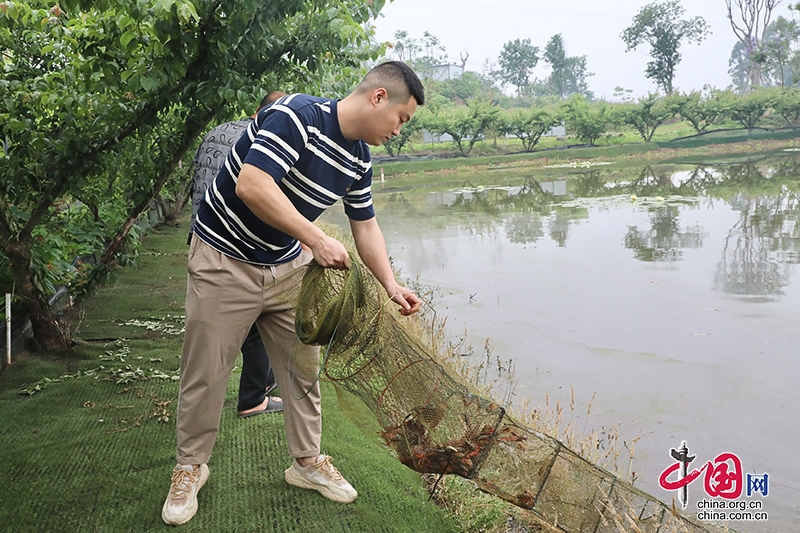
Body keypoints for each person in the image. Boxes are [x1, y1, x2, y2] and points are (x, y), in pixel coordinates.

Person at [162, 61, 425, 526]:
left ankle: (307, 463)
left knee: (303, 367)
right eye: (402, 119)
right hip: (225, 258)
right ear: (379, 98)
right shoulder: (296, 115)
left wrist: (390, 284)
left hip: (287, 267)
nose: (398, 131)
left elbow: (365, 226)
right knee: (206, 369)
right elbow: (253, 185)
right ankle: (189, 466)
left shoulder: (360, 159)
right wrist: (317, 238)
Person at [188, 90, 288, 418]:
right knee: (257, 324)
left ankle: (253, 389)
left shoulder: (217, 131)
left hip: (201, 236)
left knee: (211, 329)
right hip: (237, 243)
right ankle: (253, 398)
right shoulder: (266, 140)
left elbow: (195, 180)